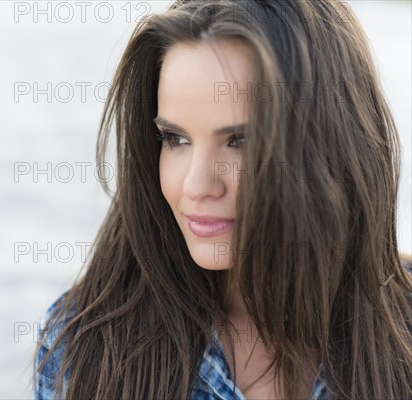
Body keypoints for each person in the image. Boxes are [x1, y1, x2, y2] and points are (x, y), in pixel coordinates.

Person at [32, 0, 412, 399]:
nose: (197, 186)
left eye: (240, 141)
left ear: (329, 147)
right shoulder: (84, 349)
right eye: (175, 139)